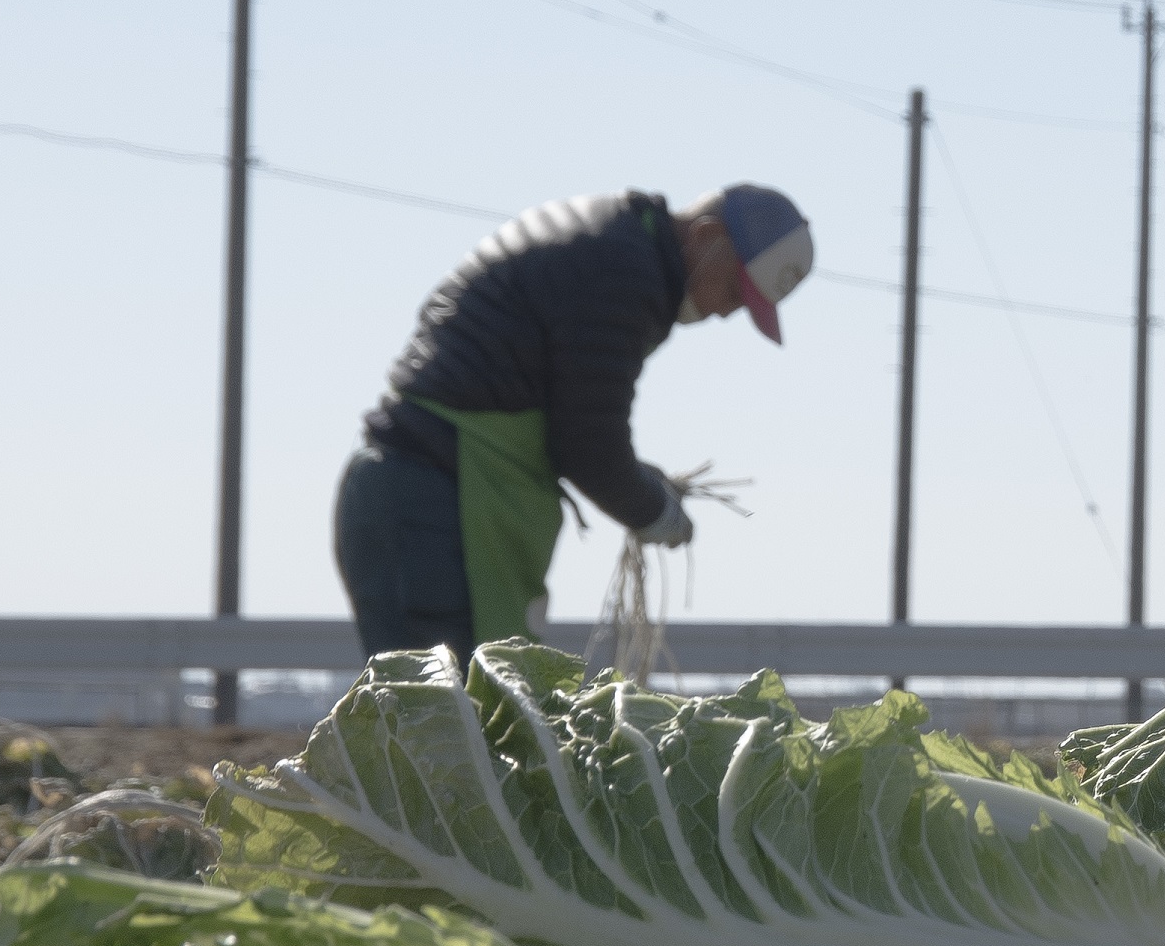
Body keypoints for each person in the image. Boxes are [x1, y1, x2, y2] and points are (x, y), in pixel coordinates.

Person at [334, 183, 814, 665]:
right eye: (734, 290)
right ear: (708, 237)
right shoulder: (624, 271)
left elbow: (572, 415)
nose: (727, 312)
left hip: (413, 491)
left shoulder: (612, 240)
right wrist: (654, 512)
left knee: (445, 720)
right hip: (434, 510)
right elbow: (587, 447)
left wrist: (640, 483)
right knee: (449, 724)